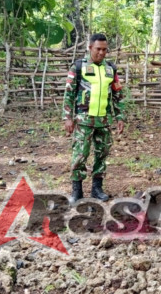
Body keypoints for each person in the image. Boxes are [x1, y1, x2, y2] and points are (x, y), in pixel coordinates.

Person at [63, 33, 125, 204]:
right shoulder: (78, 67)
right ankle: (77, 191)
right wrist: (68, 117)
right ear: (90, 48)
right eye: (98, 49)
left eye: (105, 50)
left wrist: (120, 116)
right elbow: (69, 94)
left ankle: (97, 188)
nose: (102, 53)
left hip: (104, 120)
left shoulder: (110, 69)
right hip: (84, 120)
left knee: (102, 154)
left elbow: (117, 94)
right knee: (80, 154)